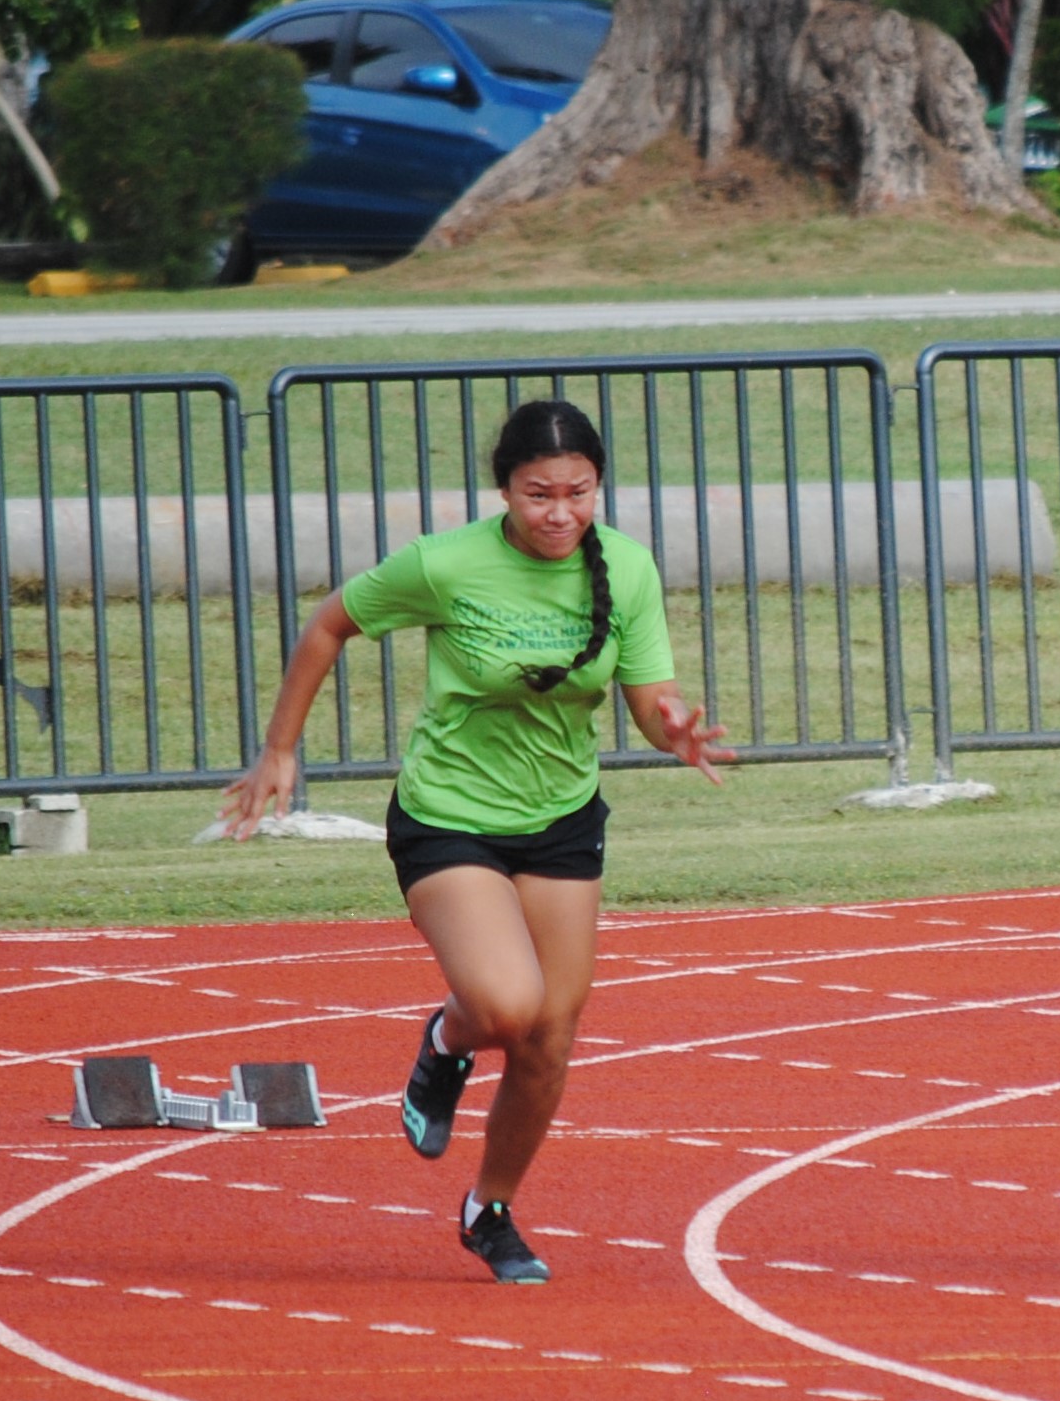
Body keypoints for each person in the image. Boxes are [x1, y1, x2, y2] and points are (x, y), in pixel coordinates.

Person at [218, 399, 731, 1283]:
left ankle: (489, 1210)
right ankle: (447, 1044)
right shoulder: (447, 563)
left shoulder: (629, 571)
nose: (560, 513)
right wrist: (279, 749)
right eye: (539, 494)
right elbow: (329, 623)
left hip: (563, 820)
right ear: (504, 491)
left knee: (549, 1039)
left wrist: (672, 728)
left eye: (578, 494)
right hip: (450, 815)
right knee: (504, 1006)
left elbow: (651, 701)